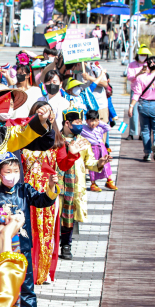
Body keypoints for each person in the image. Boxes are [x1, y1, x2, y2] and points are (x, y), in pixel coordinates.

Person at [0, 152, 59, 307]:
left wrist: (52, 186)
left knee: (27, 287)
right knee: (2, 286)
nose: (12, 175)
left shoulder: (25, 190)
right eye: (7, 171)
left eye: (15, 171)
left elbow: (43, 201)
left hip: (24, 247)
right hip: (2, 249)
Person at [21, 101, 84, 285]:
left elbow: (63, 164)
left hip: (48, 190)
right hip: (27, 191)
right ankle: (28, 270)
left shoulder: (57, 142)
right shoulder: (21, 139)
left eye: (47, 115)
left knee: (46, 231)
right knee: (28, 230)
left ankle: (43, 270)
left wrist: (72, 153)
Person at [59, 106, 110, 260]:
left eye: (82, 122)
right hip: (59, 183)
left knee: (70, 215)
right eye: (78, 122)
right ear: (67, 123)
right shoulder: (56, 140)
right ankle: (55, 243)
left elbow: (90, 162)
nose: (81, 125)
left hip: (75, 185)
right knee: (56, 214)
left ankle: (66, 245)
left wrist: (99, 162)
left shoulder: (83, 142)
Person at [81, 110, 117, 191]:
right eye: (91, 121)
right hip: (92, 148)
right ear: (86, 121)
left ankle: (109, 181)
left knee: (106, 164)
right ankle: (93, 183)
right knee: (93, 165)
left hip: (102, 147)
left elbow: (108, 127)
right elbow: (77, 128)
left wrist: (99, 122)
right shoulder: (84, 128)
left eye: (95, 120)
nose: (93, 123)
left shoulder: (99, 128)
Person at [129, 55, 155, 161]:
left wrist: (131, 106)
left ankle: (147, 153)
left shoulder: (141, 78)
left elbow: (137, 93)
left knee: (145, 130)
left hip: (143, 105)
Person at [126, 44, 151, 140]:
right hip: (135, 89)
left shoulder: (149, 64)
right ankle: (132, 132)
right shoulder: (132, 64)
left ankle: (143, 133)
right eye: (142, 54)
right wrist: (138, 73)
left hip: (146, 91)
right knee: (132, 112)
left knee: (144, 112)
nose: (143, 56)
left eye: (145, 55)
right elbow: (129, 78)